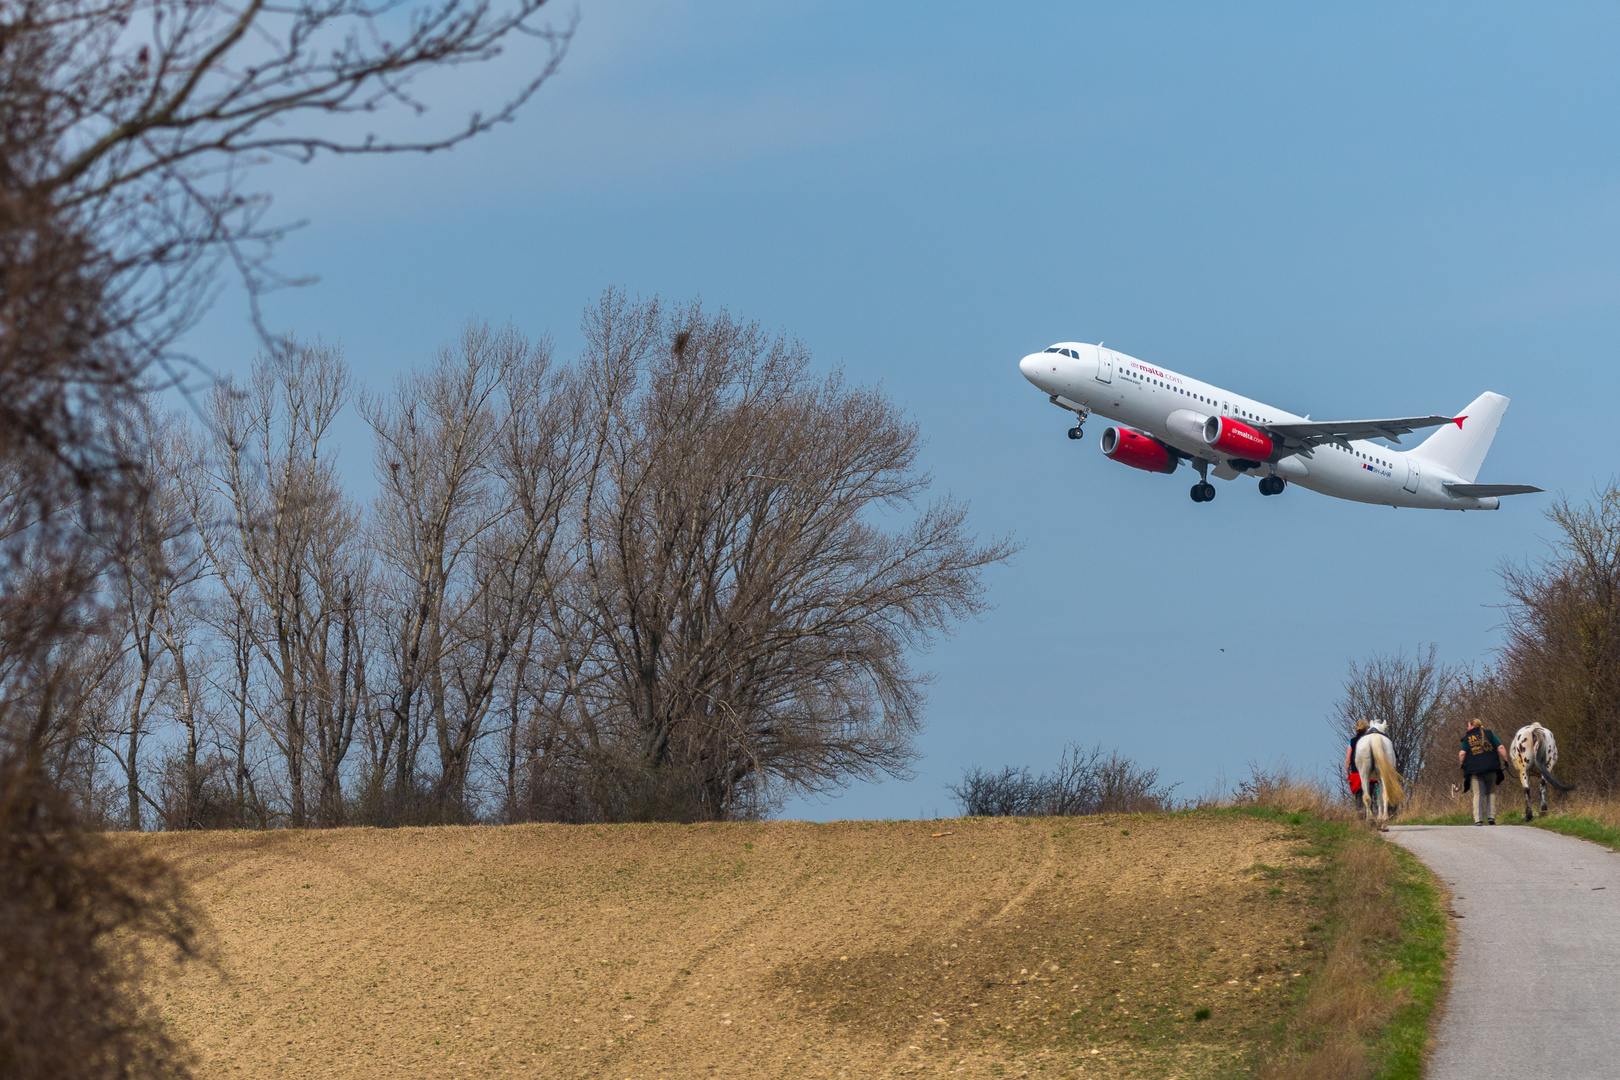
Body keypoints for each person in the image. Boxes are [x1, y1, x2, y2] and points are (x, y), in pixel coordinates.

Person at [1459, 717, 1509, 825]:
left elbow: (1462, 753)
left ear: (1472, 726)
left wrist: (1462, 764)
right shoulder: (1489, 734)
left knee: (1478, 793)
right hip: (1491, 768)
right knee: (1491, 792)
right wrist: (1506, 760)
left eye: (1468, 726)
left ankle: (1478, 820)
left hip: (1474, 770)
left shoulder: (1467, 738)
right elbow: (1500, 747)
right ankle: (1491, 818)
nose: (1467, 728)